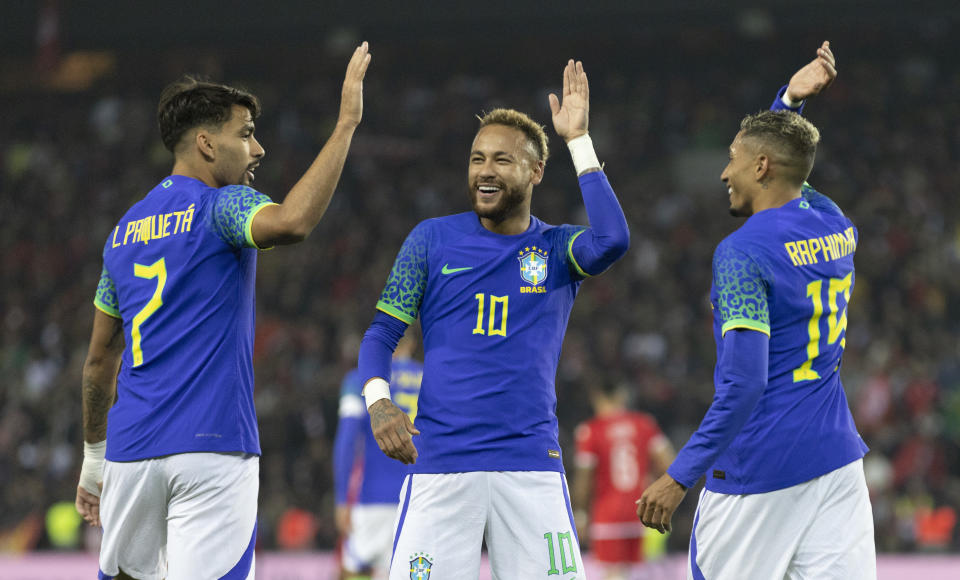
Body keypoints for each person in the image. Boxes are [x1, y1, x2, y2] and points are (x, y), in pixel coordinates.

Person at [74, 43, 371, 580]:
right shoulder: (222, 205)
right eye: (246, 133)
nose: (257, 149)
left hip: (129, 451)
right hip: (212, 448)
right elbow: (294, 223)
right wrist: (346, 124)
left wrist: (95, 460)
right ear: (207, 144)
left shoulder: (122, 233)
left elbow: (99, 363)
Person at [357, 59, 630, 579]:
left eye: (502, 160)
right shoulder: (432, 240)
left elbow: (613, 240)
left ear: (535, 172)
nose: (485, 170)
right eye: (477, 158)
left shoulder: (555, 249)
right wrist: (379, 401)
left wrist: (579, 142)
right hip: (439, 464)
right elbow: (381, 333)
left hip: (531, 465)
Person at [636, 42, 877, 579]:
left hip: (760, 472)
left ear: (760, 166)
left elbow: (745, 386)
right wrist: (789, 100)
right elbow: (793, 169)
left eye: (733, 159)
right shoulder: (834, 222)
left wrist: (679, 477)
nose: (725, 172)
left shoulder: (742, 252)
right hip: (836, 463)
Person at [334, 333, 423, 580]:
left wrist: (342, 499)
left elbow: (347, 439)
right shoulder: (430, 379)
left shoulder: (359, 380)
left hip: (372, 497)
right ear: (412, 344)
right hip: (421, 497)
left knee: (355, 571)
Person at [572, 381, 674, 580]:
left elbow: (584, 478)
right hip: (643, 513)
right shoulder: (645, 424)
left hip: (607, 514)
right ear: (623, 396)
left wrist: (581, 513)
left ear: (597, 398)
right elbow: (669, 465)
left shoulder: (590, 430)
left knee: (613, 574)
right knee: (643, 573)